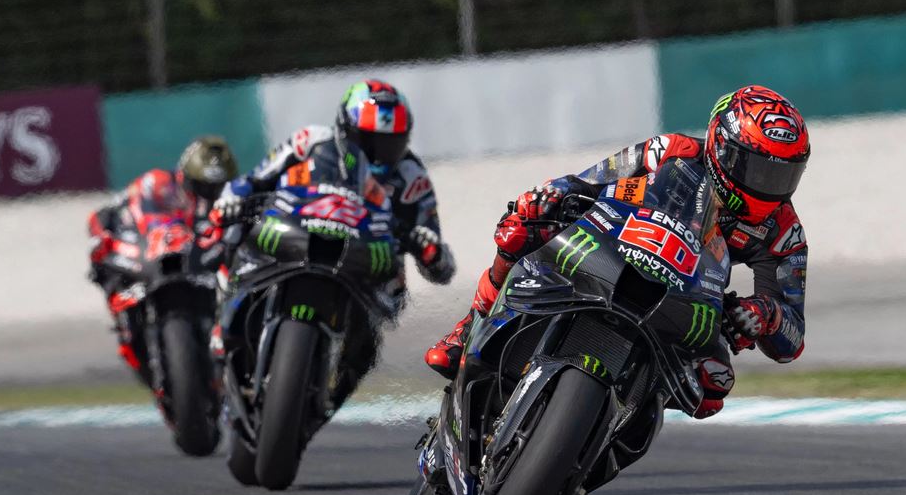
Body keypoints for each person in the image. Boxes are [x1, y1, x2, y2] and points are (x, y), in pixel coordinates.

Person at [425, 85, 810, 419]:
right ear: (722, 148)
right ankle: (469, 326)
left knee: (713, 386)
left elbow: (791, 336)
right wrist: (552, 196)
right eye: (760, 171)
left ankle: (620, 421)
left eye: (783, 176)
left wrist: (765, 314)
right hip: (621, 247)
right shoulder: (672, 150)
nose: (769, 187)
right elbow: (591, 179)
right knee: (523, 224)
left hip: (691, 296)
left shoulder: (783, 231)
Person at [211, 79, 455, 286]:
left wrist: (431, 253)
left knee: (395, 287)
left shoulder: (412, 175)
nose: (377, 156)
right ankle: (226, 289)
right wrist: (231, 202)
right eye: (367, 142)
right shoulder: (310, 141)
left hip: (366, 264)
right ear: (344, 130)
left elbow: (442, 267)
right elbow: (252, 180)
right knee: (236, 231)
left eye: (390, 144)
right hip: (294, 235)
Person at [87, 136, 238, 373]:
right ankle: (127, 326)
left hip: (205, 267)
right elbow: (113, 211)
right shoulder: (157, 184)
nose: (209, 194)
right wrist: (106, 232)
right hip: (154, 259)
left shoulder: (234, 197)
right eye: (202, 186)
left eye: (217, 187)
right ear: (186, 176)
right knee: (104, 265)